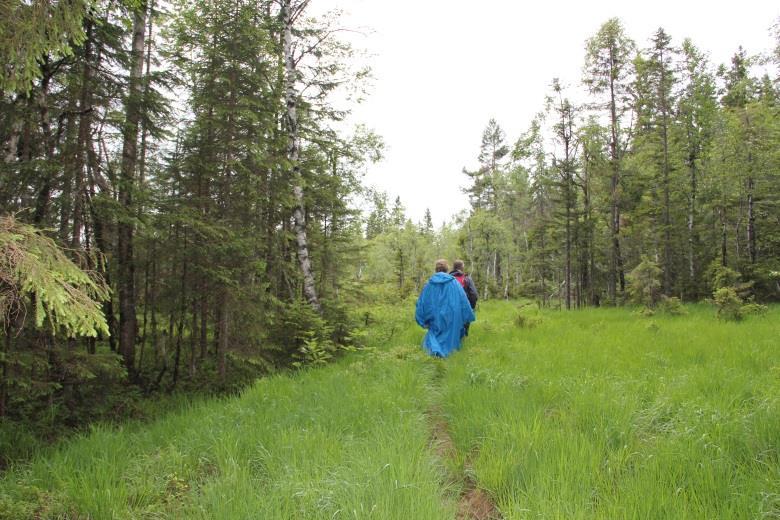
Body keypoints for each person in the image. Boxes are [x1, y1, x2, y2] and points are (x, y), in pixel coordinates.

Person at [415, 259, 475, 358]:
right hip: (452, 316)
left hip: (435, 316)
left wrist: (422, 319)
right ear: (447, 269)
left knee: (435, 333)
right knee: (450, 337)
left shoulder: (429, 284)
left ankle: (435, 350)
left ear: (436, 269)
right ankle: (447, 353)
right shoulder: (454, 283)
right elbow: (463, 300)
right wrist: (467, 315)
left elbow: (422, 303)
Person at [449, 259, 478, 336]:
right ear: (461, 267)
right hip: (464, 306)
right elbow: (474, 294)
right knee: (464, 326)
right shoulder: (466, 278)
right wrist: (472, 306)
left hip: (450, 307)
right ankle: (463, 339)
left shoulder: (447, 279)